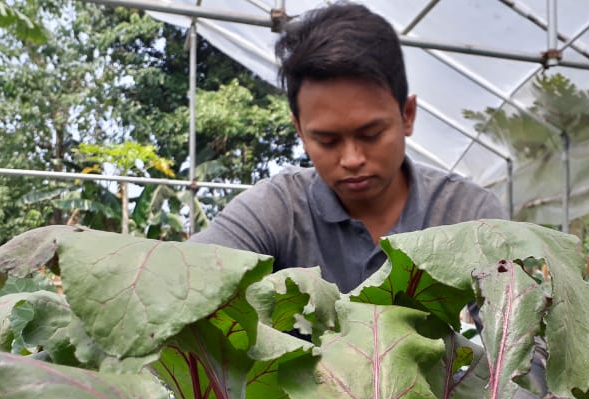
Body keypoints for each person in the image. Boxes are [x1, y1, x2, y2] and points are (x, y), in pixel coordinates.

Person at [190, 1, 507, 293]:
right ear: (300, 130)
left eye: (371, 134)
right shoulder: (277, 209)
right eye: (327, 141)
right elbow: (188, 281)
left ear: (407, 116)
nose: (352, 159)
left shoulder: (469, 214)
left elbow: (524, 342)